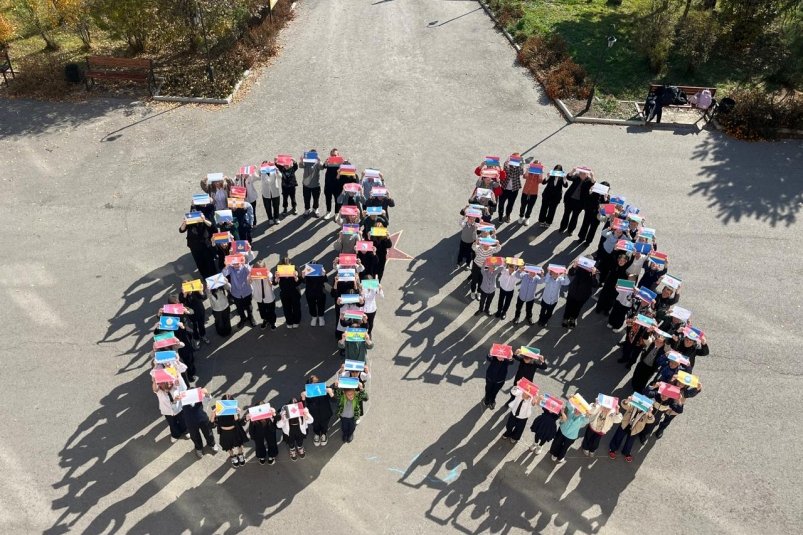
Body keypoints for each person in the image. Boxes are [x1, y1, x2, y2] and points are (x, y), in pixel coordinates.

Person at [608, 396, 655, 462]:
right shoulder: (633, 405)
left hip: (636, 429)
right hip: (625, 424)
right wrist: (627, 400)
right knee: (618, 436)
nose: (642, 406)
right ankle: (613, 449)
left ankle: (626, 452)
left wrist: (650, 413)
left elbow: (651, 420)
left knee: (630, 441)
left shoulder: (647, 413)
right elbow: (624, 405)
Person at [210, 393, 248, 467]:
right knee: (228, 446)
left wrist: (235, 413)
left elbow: (239, 423)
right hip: (224, 433)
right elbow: (212, 425)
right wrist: (213, 414)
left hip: (235, 431)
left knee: (239, 444)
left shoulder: (234, 409)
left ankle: (240, 454)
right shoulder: (218, 410)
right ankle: (232, 456)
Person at [180, 388, 219, 459]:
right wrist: (175, 400)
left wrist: (206, 393)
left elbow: (209, 399)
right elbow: (174, 405)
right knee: (194, 436)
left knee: (208, 432)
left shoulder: (199, 397)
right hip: (190, 421)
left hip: (202, 418)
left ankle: (212, 444)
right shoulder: (182, 400)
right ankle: (198, 448)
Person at [179, 211, 218, 279]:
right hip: (194, 246)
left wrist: (204, 220)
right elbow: (181, 230)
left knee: (210, 262)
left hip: (206, 245)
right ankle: (205, 277)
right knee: (200, 263)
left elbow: (213, 228)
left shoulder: (204, 220)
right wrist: (185, 223)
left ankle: (214, 278)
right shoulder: (189, 222)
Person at [152, 375, 188, 443]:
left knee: (182, 420)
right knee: (172, 423)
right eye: (167, 384)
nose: (170, 384)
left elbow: (181, 384)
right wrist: (154, 380)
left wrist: (177, 375)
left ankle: (185, 430)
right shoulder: (159, 391)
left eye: (170, 382)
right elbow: (154, 389)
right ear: (161, 384)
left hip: (178, 408)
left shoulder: (175, 386)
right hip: (167, 411)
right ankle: (175, 435)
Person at [559, 167, 593, 236]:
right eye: (580, 173)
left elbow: (593, 183)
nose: (581, 175)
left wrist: (592, 176)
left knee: (575, 217)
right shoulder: (577, 176)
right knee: (566, 214)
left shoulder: (589, 180)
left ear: (587, 174)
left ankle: (570, 230)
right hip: (570, 200)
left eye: (583, 173)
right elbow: (569, 177)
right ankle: (562, 227)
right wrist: (572, 171)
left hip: (580, 203)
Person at [222, 257, 255, 329]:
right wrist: (226, 265)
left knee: (249, 306)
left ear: (240, 262)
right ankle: (243, 318)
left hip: (247, 291)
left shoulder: (245, 267)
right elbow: (223, 273)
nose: (235, 265)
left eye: (237, 263)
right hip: (236, 293)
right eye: (234, 264)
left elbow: (250, 271)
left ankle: (250, 317)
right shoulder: (231, 268)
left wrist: (244, 264)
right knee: (239, 308)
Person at [562, 260, 596, 328]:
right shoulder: (579, 267)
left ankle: (573, 319)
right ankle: (566, 318)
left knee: (577, 308)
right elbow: (571, 273)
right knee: (568, 306)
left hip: (583, 295)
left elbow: (595, 284)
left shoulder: (593, 272)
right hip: (573, 292)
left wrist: (593, 274)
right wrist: (574, 266)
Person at [302, 376, 335, 447]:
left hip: (325, 413)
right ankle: (317, 433)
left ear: (318, 383)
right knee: (315, 425)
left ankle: (324, 434)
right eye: (311, 386)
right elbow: (302, 406)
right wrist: (303, 397)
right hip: (313, 414)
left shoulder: (324, 388)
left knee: (324, 425)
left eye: (315, 384)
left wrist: (331, 393)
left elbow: (334, 401)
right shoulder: (306, 391)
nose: (314, 387)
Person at [245, 401, 279, 465]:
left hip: (269, 428)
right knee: (259, 444)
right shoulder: (253, 415)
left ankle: (272, 455)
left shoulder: (270, 413)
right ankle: (261, 456)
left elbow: (278, 419)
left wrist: (274, 414)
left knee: (272, 442)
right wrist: (246, 419)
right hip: (258, 430)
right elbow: (247, 425)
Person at [578, 181, 609, 245]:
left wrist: (606, 199)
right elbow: (586, 199)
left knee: (593, 228)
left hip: (597, 215)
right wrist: (590, 192)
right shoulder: (594, 192)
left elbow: (608, 210)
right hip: (589, 212)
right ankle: (581, 237)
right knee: (585, 225)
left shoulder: (607, 197)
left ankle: (588, 241)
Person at [250, 260, 278, 330]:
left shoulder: (269, 274)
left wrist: (268, 279)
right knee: (262, 311)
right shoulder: (254, 275)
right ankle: (265, 320)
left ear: (264, 268)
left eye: (261, 270)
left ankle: (272, 322)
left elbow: (271, 284)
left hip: (269, 297)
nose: (259, 272)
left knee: (271, 311)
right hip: (259, 297)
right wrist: (250, 276)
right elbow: (249, 282)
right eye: (257, 270)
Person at [276, 256, 302, 328]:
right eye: (285, 267)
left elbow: (300, 282)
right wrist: (276, 278)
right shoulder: (279, 269)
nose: (286, 269)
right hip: (284, 293)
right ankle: (289, 321)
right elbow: (274, 283)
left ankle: (296, 321)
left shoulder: (296, 269)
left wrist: (296, 277)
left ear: (291, 264)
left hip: (295, 292)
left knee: (296, 308)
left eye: (288, 267)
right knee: (286, 308)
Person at [497, 153, 523, 223]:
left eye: (518, 158)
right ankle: (500, 216)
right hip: (504, 188)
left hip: (514, 189)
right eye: (515, 158)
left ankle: (508, 215)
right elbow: (508, 171)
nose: (517, 160)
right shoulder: (507, 163)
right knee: (501, 203)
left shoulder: (519, 165)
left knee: (510, 204)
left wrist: (521, 164)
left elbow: (521, 173)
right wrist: (511, 163)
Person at [302, 261, 327, 327]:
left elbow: (325, 280)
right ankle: (314, 317)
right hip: (310, 292)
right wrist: (303, 275)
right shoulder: (307, 272)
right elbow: (304, 282)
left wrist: (324, 274)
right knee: (311, 305)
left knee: (321, 305)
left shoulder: (321, 271)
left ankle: (321, 317)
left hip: (320, 291)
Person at [518, 161, 542, 225]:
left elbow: (540, 181)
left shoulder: (538, 173)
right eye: (534, 166)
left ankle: (527, 218)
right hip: (525, 191)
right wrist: (528, 169)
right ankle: (521, 216)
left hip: (533, 193)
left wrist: (540, 172)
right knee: (523, 206)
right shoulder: (530, 172)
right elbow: (525, 177)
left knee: (530, 207)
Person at [322, 149, 343, 218]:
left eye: (335, 155)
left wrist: (343, 164)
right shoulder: (329, 161)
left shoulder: (341, 163)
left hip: (337, 185)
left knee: (337, 200)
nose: (333, 156)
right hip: (328, 184)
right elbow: (323, 167)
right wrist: (325, 162)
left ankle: (336, 213)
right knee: (328, 199)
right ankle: (328, 212)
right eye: (332, 155)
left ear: (338, 155)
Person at [300, 149, 322, 217]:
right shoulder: (306, 161)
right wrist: (301, 160)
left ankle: (315, 209)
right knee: (306, 198)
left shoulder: (317, 162)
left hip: (316, 185)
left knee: (316, 198)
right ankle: (307, 209)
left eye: (314, 154)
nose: (312, 156)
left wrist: (319, 160)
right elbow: (300, 166)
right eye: (311, 154)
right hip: (306, 184)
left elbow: (322, 167)